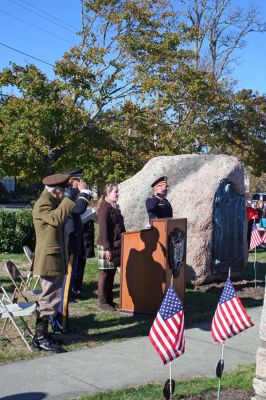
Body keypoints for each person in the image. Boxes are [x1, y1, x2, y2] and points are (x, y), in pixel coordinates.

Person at [31, 173, 77, 352]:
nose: (64, 194)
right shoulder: (43, 203)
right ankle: (40, 338)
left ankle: (42, 335)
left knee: (52, 297)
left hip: (54, 257)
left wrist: (67, 200)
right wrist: (69, 200)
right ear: (55, 190)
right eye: (63, 191)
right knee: (49, 298)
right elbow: (57, 219)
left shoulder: (52, 201)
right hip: (49, 259)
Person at [50, 169, 93, 333]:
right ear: (70, 182)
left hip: (72, 247)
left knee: (65, 289)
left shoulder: (69, 198)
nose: (81, 184)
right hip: (68, 248)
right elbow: (79, 209)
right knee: (64, 289)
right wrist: (85, 192)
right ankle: (59, 323)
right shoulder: (65, 199)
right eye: (78, 181)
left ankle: (63, 321)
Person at [97, 183, 125, 311]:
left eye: (118, 191)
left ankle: (109, 300)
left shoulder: (114, 206)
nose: (118, 194)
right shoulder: (104, 208)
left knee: (112, 272)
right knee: (105, 273)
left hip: (116, 244)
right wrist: (107, 248)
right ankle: (102, 302)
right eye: (115, 192)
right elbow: (103, 230)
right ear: (108, 193)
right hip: (106, 245)